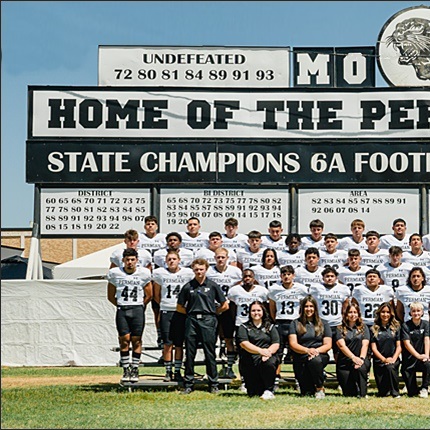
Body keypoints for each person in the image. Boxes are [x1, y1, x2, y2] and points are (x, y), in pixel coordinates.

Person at [176, 258, 229, 394]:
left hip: (208, 321)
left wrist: (212, 313)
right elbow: (179, 307)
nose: (199, 272)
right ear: (193, 270)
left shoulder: (212, 285)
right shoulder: (188, 286)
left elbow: (224, 305)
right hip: (192, 321)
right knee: (190, 352)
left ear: (206, 269)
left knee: (209, 352)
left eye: (201, 269)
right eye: (196, 270)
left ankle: (213, 383)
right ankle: (188, 383)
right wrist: (191, 314)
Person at [107, 248, 153, 383]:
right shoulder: (115, 273)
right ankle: (126, 368)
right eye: (127, 260)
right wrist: (122, 305)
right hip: (122, 309)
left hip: (137, 309)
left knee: (137, 340)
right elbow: (110, 296)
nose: (130, 262)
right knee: (124, 339)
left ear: (137, 261)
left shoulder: (144, 273)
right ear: (123, 261)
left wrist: (139, 306)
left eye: (132, 259)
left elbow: (149, 294)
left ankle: (135, 368)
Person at [152, 250, 194, 382]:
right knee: (167, 344)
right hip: (166, 311)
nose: (171, 261)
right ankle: (168, 371)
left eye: (174, 259)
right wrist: (166, 304)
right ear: (165, 261)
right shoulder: (160, 273)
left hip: (181, 312)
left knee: (179, 344)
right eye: (169, 259)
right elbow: (156, 295)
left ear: (179, 260)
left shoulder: (187, 273)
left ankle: (177, 371)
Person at [228, 268, 269, 392]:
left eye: (250, 276)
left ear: (254, 277)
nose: (247, 278)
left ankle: (259, 379)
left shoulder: (262, 291)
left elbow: (265, 308)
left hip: (258, 326)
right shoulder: (235, 291)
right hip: (241, 325)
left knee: (258, 353)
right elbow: (232, 310)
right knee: (244, 356)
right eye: (245, 276)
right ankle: (244, 381)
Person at [268, 265, 308, 384]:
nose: (286, 276)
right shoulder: (274, 289)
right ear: (280, 276)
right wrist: (275, 319)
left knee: (297, 352)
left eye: (289, 274)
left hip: (294, 322)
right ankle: (275, 377)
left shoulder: (301, 289)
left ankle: (299, 378)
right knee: (278, 352)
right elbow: (272, 307)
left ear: (293, 276)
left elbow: (303, 306)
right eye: (284, 274)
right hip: (280, 321)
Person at [206, 247, 243, 379]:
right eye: (218, 257)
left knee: (228, 338)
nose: (220, 259)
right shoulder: (209, 271)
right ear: (214, 258)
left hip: (228, 308)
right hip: (212, 308)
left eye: (223, 257)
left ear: (227, 258)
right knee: (210, 340)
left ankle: (229, 368)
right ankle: (211, 370)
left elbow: (239, 286)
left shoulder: (235, 272)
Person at [288, 295, 332, 398]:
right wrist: (307, 350)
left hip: (320, 354)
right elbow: (293, 344)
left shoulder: (323, 323)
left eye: (311, 306)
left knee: (315, 360)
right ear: (302, 308)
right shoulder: (295, 323)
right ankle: (316, 379)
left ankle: (320, 388)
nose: (309, 309)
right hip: (301, 355)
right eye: (306, 306)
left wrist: (315, 351)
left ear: (315, 308)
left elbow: (328, 344)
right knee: (306, 393)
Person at [236, 300, 280, 400]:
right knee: (253, 393)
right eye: (253, 310)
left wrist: (267, 353)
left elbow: (276, 343)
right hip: (250, 360)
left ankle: (269, 389)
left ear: (263, 311)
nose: (256, 313)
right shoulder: (243, 327)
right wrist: (260, 351)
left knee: (269, 362)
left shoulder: (270, 326)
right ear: (249, 312)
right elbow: (244, 344)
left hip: (267, 357)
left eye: (259, 310)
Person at [309, 266, 351, 358]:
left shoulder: (343, 289)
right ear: (323, 277)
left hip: (337, 323)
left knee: (338, 350)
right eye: (327, 276)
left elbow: (345, 307)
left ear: (336, 278)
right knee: (319, 349)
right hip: (321, 324)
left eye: (332, 276)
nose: (329, 278)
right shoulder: (316, 288)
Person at [335, 300, 371, 398]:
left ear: (359, 314)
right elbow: (342, 346)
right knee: (349, 393)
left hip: (361, 359)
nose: (353, 315)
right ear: (346, 314)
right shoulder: (340, 328)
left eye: (355, 312)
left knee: (360, 369)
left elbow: (365, 345)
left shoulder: (364, 328)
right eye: (350, 312)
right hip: (344, 362)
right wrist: (353, 358)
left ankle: (363, 393)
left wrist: (361, 359)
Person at [370, 302, 402, 398]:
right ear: (379, 313)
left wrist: (393, 359)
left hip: (393, 359)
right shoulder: (373, 329)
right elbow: (373, 348)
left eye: (388, 312)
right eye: (383, 312)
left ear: (391, 313)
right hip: (379, 361)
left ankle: (395, 393)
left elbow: (399, 346)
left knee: (390, 367)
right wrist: (384, 359)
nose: (385, 314)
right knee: (383, 393)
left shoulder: (396, 328)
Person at [400, 301, 430, 398]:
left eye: (418, 311)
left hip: (423, 358)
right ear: (410, 312)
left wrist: (426, 355)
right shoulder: (405, 325)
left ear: (422, 312)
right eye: (413, 311)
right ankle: (412, 388)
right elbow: (406, 343)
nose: (416, 313)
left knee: (428, 364)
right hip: (410, 358)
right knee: (412, 394)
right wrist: (417, 356)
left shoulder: (426, 324)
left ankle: (424, 388)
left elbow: (427, 339)